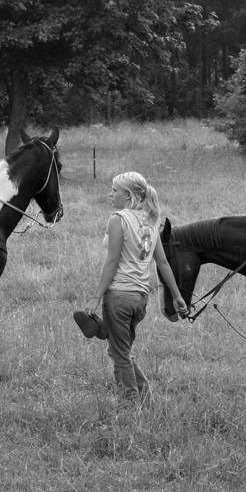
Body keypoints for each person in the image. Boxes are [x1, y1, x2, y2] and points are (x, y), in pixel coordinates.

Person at [74, 171, 189, 409]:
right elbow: (163, 263)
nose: (110, 194)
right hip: (140, 298)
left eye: (114, 190)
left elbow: (112, 261)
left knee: (119, 354)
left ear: (127, 195)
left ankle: (131, 403)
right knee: (122, 349)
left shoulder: (118, 219)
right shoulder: (150, 221)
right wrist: (177, 296)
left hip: (118, 296)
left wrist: (95, 298)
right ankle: (144, 395)